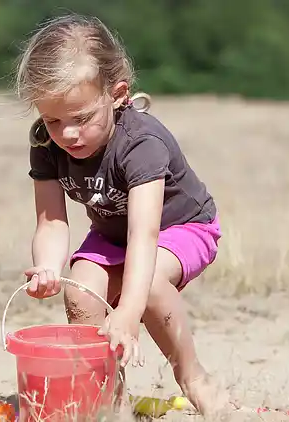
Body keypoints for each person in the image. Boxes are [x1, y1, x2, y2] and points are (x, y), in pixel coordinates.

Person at [14, 13, 232, 416]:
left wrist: (128, 315)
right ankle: (107, 396)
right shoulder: (45, 144)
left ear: (117, 94)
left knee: (144, 286)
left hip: (181, 228)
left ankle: (193, 376)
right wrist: (46, 265)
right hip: (114, 234)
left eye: (81, 119)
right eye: (53, 120)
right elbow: (51, 221)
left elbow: (144, 236)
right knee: (80, 290)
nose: (68, 135)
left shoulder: (141, 143)